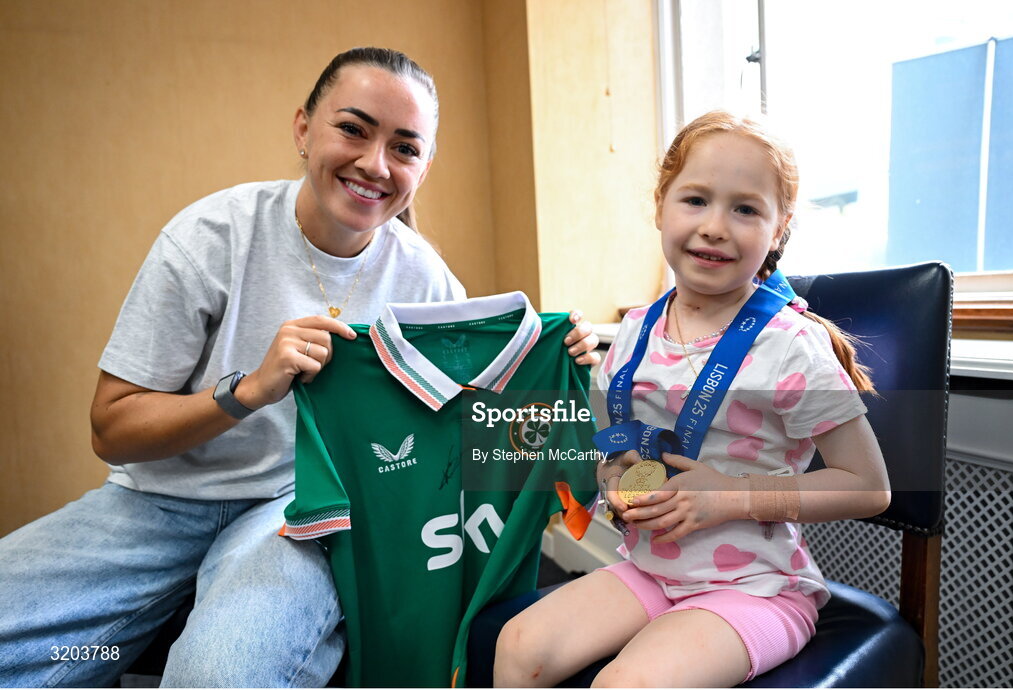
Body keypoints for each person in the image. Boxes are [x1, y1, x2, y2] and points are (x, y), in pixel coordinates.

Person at [0, 47, 599, 688]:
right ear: (302, 128)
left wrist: (561, 370)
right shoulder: (210, 238)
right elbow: (110, 431)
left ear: (423, 167)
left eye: (405, 147)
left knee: (220, 677)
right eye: (353, 128)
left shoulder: (426, 283)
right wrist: (247, 392)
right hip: (158, 502)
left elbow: (476, 437)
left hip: (304, 513)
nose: (375, 164)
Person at [493, 110, 891, 688]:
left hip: (756, 588)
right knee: (519, 645)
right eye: (696, 200)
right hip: (650, 569)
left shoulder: (790, 344)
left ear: (778, 231)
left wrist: (731, 497)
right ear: (661, 206)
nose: (715, 227)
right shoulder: (635, 328)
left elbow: (869, 487)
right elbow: (616, 438)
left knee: (626, 685)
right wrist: (615, 478)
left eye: (746, 209)